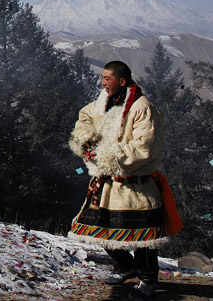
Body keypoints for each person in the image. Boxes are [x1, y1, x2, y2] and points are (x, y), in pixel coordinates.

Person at [68, 60, 179, 299]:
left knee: (143, 239)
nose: (102, 83)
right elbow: (85, 116)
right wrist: (86, 137)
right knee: (100, 231)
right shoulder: (102, 102)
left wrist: (106, 155)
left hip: (136, 187)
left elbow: (144, 147)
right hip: (108, 184)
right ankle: (126, 267)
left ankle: (148, 281)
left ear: (122, 81)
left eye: (107, 78)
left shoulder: (142, 107)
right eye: (102, 78)